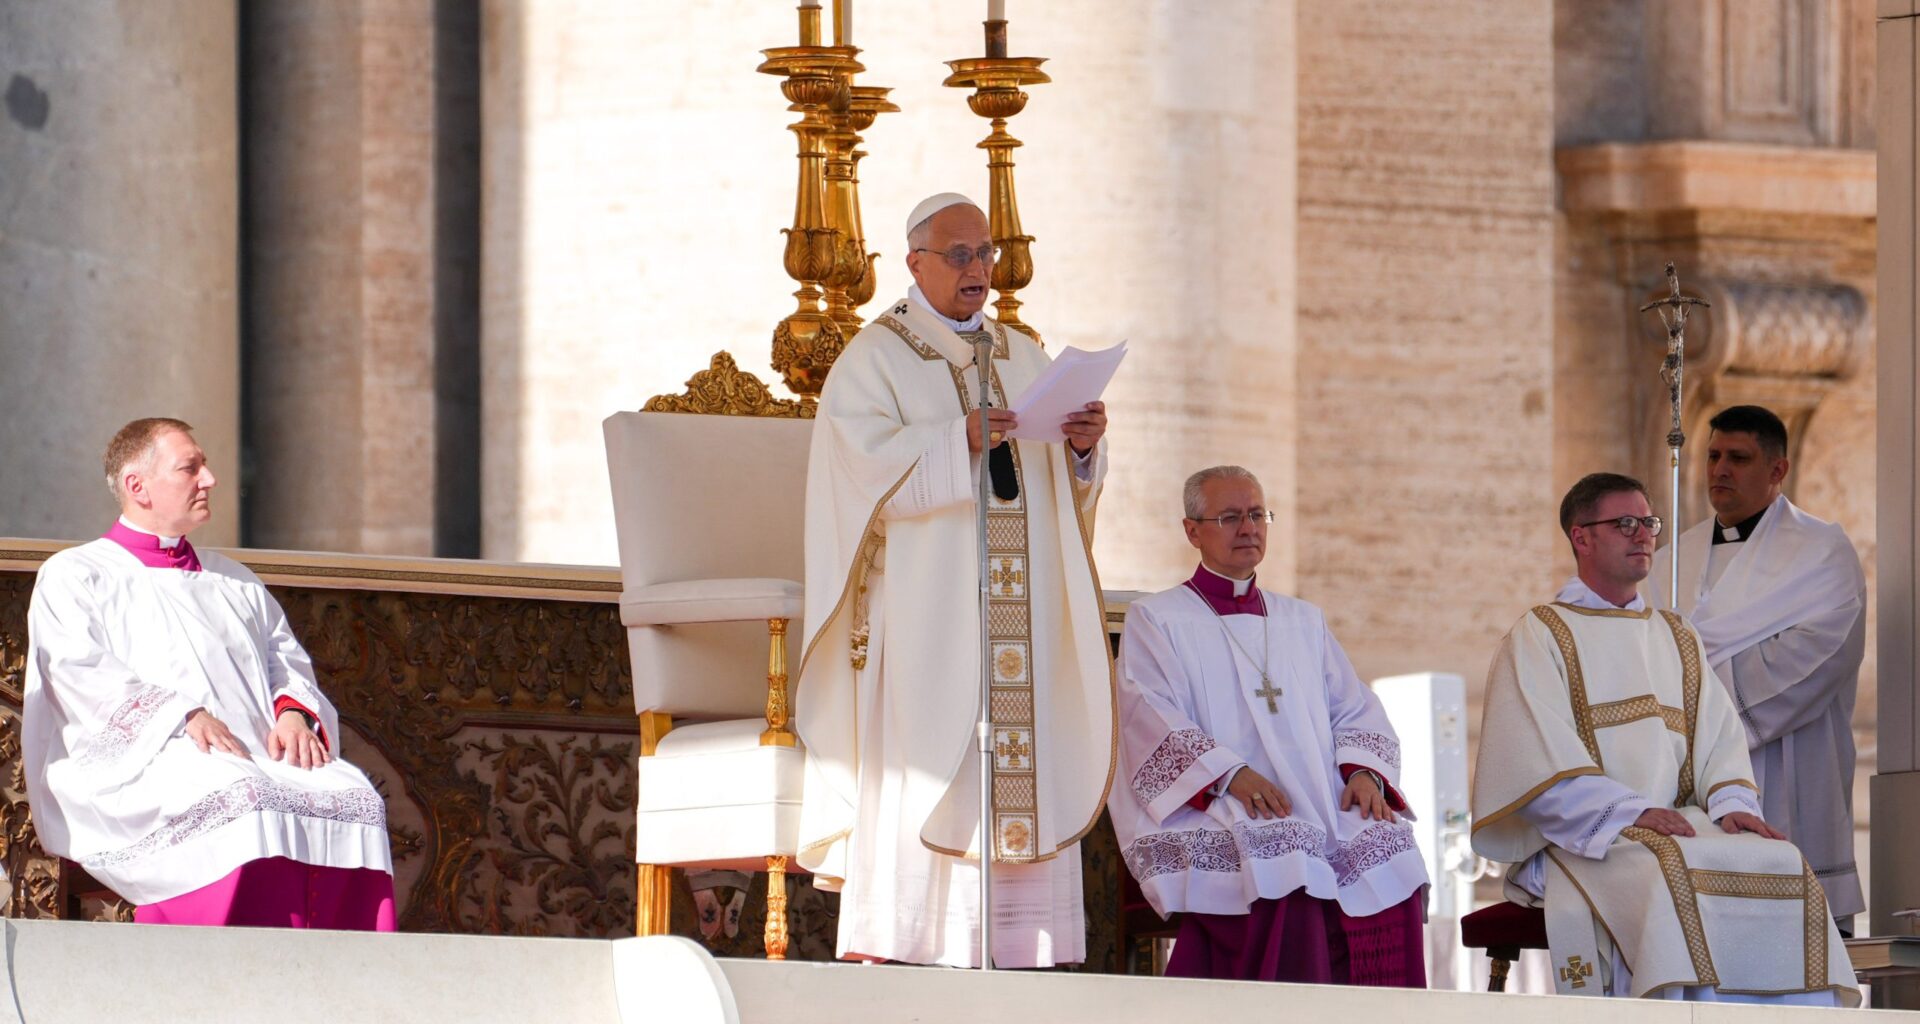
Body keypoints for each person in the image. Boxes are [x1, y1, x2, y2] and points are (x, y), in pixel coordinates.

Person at [794, 193, 1114, 967]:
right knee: (932, 753)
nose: (978, 271)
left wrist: (1081, 448)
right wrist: (954, 441)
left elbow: (1063, 493)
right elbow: (857, 473)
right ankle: (913, 950)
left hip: (1020, 621)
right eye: (960, 256)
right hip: (926, 613)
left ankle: (1021, 954)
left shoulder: (1024, 353)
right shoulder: (875, 358)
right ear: (915, 265)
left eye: (985, 255)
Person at [1472, 472, 1856, 1004]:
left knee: (1781, 860)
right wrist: (1631, 812)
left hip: (1681, 825)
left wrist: (1731, 800)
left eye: (1648, 522)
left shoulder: (1677, 635)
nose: (1644, 535)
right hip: (1592, 835)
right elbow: (1535, 759)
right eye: (1624, 523)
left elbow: (1718, 736)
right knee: (1664, 870)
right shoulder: (1541, 635)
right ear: (1581, 537)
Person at [24, 417, 395, 929]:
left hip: (252, 754)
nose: (211, 479)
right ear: (138, 487)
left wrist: (292, 717)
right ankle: (213, 980)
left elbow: (283, 660)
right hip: (144, 760)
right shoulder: (77, 573)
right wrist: (180, 713)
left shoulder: (234, 580)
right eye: (191, 467)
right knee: (241, 799)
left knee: (355, 796)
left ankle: (335, 988)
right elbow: (76, 670)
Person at [1107, 466, 1428, 985]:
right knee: (1287, 864)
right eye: (1230, 517)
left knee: (1392, 850)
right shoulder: (1158, 619)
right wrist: (1230, 775)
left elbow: (1354, 706)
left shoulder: (1302, 620)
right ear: (1192, 531)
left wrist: (1364, 774)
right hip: (1217, 801)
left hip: (1322, 798)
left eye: (1257, 514)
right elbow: (1149, 715)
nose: (1248, 528)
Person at [1649, 405, 1865, 930]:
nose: (1720, 470)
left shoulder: (1821, 552)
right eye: (1714, 456)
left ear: (1777, 471)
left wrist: (1700, 712)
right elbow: (1650, 652)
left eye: (1739, 458)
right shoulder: (1671, 558)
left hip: (1790, 757)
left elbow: (1821, 652)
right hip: (1691, 779)